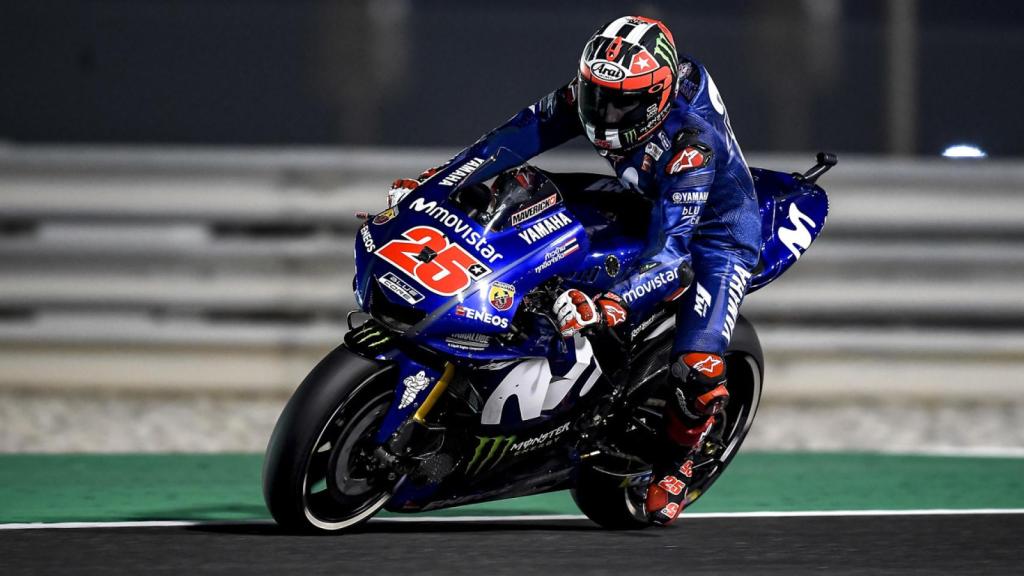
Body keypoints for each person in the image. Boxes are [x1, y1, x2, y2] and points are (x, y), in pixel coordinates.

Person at [387, 15, 761, 525]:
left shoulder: (689, 146)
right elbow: (515, 137)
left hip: (713, 237)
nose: (604, 112)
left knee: (696, 368)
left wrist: (612, 302)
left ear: (656, 98)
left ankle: (678, 466)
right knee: (516, 192)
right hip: (643, 199)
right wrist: (437, 183)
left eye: (622, 102)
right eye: (596, 94)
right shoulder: (604, 89)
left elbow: (672, 255)